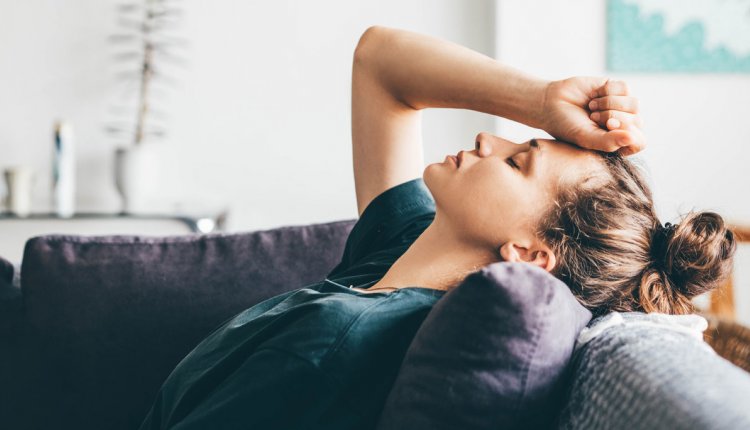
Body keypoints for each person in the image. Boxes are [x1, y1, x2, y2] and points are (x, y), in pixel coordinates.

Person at [139, 26, 736, 429]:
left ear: (529, 254)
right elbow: (380, 59)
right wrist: (543, 100)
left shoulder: (338, 339)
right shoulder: (400, 251)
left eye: (516, 160)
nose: (487, 137)